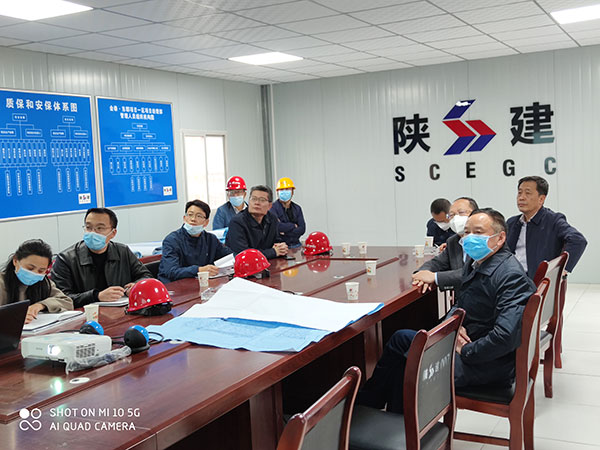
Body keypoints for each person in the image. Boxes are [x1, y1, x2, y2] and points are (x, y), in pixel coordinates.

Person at [358, 208, 535, 413]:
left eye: (478, 232)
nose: (469, 238)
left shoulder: (510, 275)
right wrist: (453, 326)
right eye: (467, 232)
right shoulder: (478, 262)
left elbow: (505, 336)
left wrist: (465, 350)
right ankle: (367, 405)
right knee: (400, 339)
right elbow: (461, 303)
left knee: (408, 363)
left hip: (486, 362)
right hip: (471, 340)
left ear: (500, 238)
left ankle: (399, 425)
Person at [51, 207, 152, 308]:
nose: (92, 233)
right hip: (86, 313)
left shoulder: (122, 251)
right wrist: (96, 296)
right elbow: (61, 299)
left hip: (121, 310)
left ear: (113, 233)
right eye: (88, 227)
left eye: (99, 228)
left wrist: (136, 285)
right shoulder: (66, 259)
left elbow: (146, 276)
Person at [506, 176, 587, 278]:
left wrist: (562, 269)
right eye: (519, 193)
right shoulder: (512, 223)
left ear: (541, 199)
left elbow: (578, 240)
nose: (521, 197)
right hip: (511, 278)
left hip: (537, 280)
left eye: (528, 193)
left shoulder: (553, 220)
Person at [412, 197, 478, 293]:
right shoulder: (453, 241)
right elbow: (436, 263)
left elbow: (474, 272)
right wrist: (421, 274)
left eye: (461, 212)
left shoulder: (484, 240)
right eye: (451, 215)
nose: (456, 218)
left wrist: (435, 277)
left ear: (476, 214)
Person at [158, 200, 232, 283]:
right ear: (184, 218)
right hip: (174, 286)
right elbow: (171, 271)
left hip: (200, 283)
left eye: (199, 216)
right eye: (190, 215)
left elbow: (229, 256)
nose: (193, 219)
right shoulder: (172, 240)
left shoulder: (210, 239)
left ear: (206, 222)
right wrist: (199, 270)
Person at [0, 239, 73, 324]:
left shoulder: (44, 283)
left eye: (41, 270)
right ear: (15, 261)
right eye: (30, 268)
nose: (35, 273)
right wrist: (13, 317)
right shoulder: (2, 283)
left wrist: (40, 305)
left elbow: (67, 302)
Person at [226, 185, 288, 259]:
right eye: (254, 199)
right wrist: (273, 252)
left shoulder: (272, 219)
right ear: (249, 201)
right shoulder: (237, 222)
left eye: (262, 200)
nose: (257, 203)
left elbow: (277, 241)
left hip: (267, 262)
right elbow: (244, 255)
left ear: (270, 206)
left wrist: (281, 247)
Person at [270, 177, 306, 248]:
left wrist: (285, 232)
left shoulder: (297, 208)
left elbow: (302, 229)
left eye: (287, 189)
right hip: (280, 247)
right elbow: (277, 227)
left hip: (296, 245)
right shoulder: (272, 208)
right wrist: (293, 226)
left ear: (292, 192)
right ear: (277, 192)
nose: (284, 192)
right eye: (281, 190)